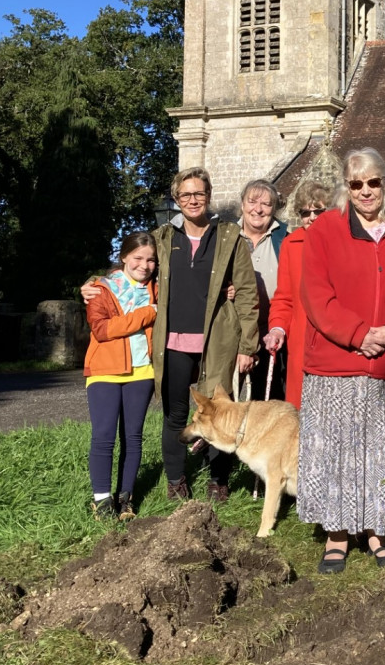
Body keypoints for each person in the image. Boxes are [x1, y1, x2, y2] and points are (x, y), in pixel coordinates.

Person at [297, 148, 385, 573]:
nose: (366, 191)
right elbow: (316, 295)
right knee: (337, 451)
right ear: (346, 189)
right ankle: (336, 534)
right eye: (356, 184)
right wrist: (358, 334)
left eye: (373, 182)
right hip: (337, 361)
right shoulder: (326, 229)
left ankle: (378, 530)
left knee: (382, 452)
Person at [152, 169, 260, 501]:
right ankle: (175, 481)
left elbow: (245, 293)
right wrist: (97, 285)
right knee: (175, 414)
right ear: (176, 200)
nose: (193, 200)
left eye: (198, 194)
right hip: (173, 344)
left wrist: (248, 345)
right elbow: (133, 268)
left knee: (219, 414)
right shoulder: (162, 239)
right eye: (185, 195)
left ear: (208, 196)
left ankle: (218, 480)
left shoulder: (229, 237)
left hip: (218, 344)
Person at [83, 232, 158, 521]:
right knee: (103, 437)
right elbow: (101, 330)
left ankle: (125, 499)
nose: (144, 264)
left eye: (151, 259)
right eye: (138, 258)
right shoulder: (100, 289)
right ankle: (102, 502)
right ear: (124, 256)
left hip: (143, 370)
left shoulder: (159, 288)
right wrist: (145, 314)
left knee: (133, 437)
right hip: (104, 369)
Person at [264, 175, 339, 408]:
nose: (312, 218)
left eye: (319, 211)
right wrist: (277, 328)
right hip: (302, 340)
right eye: (305, 213)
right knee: (301, 410)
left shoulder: (344, 243)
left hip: (337, 338)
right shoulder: (291, 244)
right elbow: (284, 296)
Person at [237, 179, 288, 400]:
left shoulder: (285, 238)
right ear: (242, 205)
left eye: (266, 204)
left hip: (273, 333)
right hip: (235, 332)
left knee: (270, 401)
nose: (258, 209)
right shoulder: (227, 237)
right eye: (252, 201)